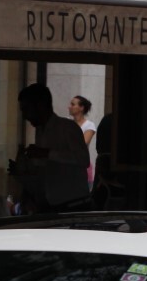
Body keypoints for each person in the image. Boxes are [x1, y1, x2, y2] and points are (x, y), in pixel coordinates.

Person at [16, 83, 90, 213]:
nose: (25, 116)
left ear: (40, 106)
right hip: (51, 206)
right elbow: (47, 171)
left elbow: (83, 159)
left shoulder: (67, 128)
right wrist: (23, 170)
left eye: (26, 109)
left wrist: (46, 153)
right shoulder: (40, 131)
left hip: (73, 207)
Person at [69, 95, 97, 187]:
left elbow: (83, 143)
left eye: (73, 104)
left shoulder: (89, 125)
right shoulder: (67, 124)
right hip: (67, 167)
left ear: (81, 108)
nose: (69, 107)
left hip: (82, 167)